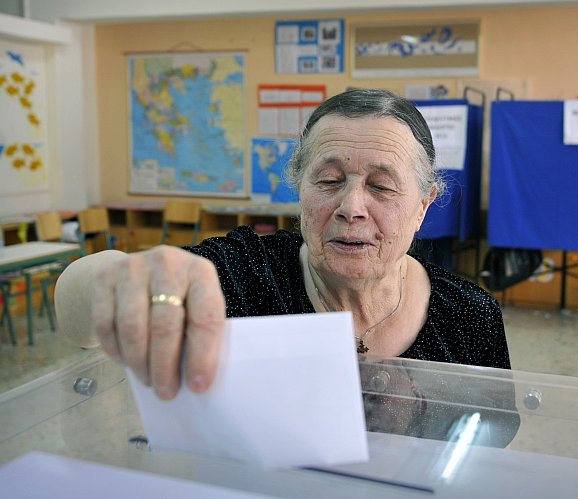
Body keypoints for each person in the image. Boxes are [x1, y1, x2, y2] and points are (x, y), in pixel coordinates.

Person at [55, 88, 511, 402]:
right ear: (299, 188)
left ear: (424, 205)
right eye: (329, 181)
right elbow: (79, 313)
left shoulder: (471, 316)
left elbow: (489, 445)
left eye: (382, 187)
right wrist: (119, 279)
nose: (352, 207)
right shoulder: (238, 276)